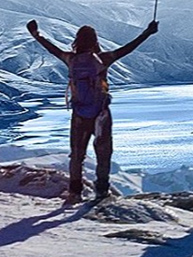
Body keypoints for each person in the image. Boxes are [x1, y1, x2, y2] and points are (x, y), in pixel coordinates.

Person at [26, 19, 160, 203]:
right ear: (95, 41)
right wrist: (147, 33)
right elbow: (127, 48)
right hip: (101, 115)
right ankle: (102, 191)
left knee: (77, 154)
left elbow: (52, 49)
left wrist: (36, 34)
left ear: (77, 41)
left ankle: (75, 193)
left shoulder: (70, 59)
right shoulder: (103, 59)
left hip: (79, 115)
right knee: (103, 154)